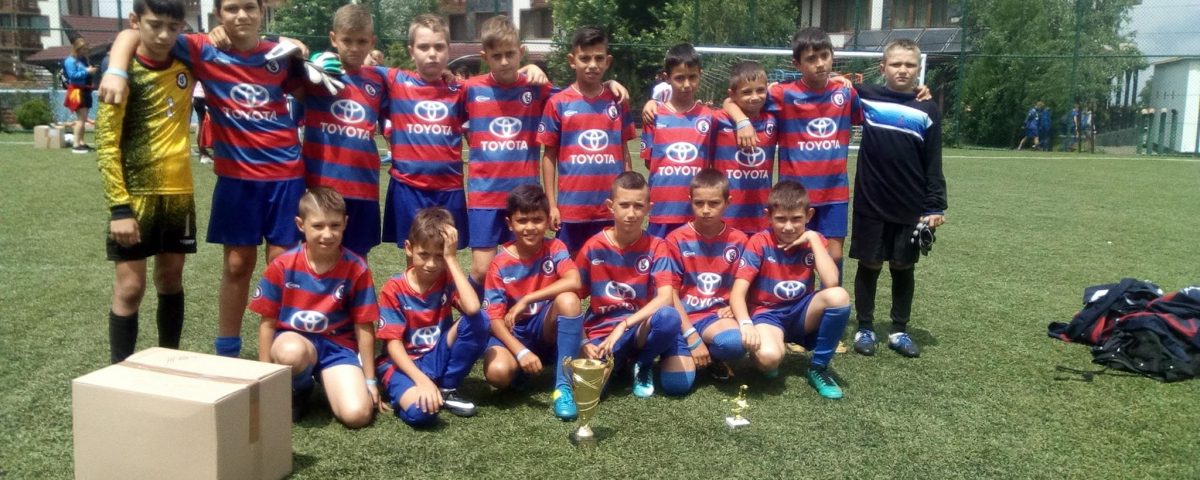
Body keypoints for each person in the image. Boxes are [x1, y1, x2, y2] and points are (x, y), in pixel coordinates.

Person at [100, 0, 308, 358]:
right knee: (237, 265)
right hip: (237, 178)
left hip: (286, 175)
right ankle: (227, 351)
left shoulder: (279, 53)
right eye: (231, 8)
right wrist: (116, 70)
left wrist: (294, 46)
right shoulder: (201, 48)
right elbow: (133, 33)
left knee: (282, 266)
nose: (241, 15)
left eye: (249, 7)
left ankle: (287, 353)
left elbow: (307, 93)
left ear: (261, 11)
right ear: (217, 15)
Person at [380, 14, 547, 254]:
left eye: (439, 47)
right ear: (411, 51)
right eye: (424, 47)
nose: (432, 53)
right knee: (418, 254)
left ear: (449, 50)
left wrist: (529, 67)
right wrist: (326, 59)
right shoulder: (396, 80)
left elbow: (513, 80)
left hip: (450, 188)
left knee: (450, 254)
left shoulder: (460, 88)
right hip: (409, 187)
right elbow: (360, 71)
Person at [95, 0, 193, 363]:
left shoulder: (187, 64)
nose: (164, 35)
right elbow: (106, 144)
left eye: (173, 26)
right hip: (134, 196)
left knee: (171, 279)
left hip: (179, 194)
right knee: (131, 287)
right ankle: (119, 373)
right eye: (155, 25)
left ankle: (168, 364)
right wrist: (119, 208)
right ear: (136, 20)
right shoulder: (121, 74)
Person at [723, 27, 861, 283]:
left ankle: (833, 301)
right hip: (795, 193)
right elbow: (731, 100)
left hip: (834, 192)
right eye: (811, 59)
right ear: (797, 64)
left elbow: (865, 114)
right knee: (795, 251)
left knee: (833, 254)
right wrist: (742, 121)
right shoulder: (782, 94)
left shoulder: (845, 94)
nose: (820, 64)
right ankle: (798, 301)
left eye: (825, 56)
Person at [848, 38, 947, 359]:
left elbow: (933, 160)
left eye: (909, 65)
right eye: (896, 64)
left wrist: (935, 204)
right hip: (871, 200)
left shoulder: (927, 108)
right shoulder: (867, 96)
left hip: (910, 204)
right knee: (870, 262)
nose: (902, 70)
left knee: (903, 265)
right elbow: (834, 84)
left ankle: (899, 329)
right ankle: (865, 327)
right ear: (882, 67)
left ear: (918, 69)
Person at [249, 187, 380, 426]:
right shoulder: (282, 265)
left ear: (345, 223)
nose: (327, 234)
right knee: (290, 352)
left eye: (335, 225)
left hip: (337, 348)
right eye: (318, 226)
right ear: (301, 225)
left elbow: (364, 326)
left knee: (358, 415)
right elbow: (267, 323)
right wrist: (264, 377)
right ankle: (300, 386)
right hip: (295, 341)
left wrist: (370, 380)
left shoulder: (357, 268)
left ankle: (327, 377)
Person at [575, 172, 693, 398]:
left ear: (649, 208)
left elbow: (665, 297)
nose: (631, 213)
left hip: (639, 328)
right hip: (603, 332)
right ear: (610, 206)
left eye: (638, 206)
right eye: (624, 205)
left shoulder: (657, 246)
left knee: (669, 317)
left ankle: (643, 362)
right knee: (590, 392)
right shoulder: (593, 247)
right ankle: (618, 361)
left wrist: (624, 325)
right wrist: (582, 340)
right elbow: (571, 299)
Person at [730, 181, 851, 399]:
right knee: (769, 358)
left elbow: (832, 281)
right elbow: (738, 292)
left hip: (802, 314)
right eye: (780, 219)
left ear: (809, 215)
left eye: (796, 219)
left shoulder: (815, 240)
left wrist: (813, 238)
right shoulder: (759, 242)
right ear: (768, 216)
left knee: (839, 296)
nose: (788, 227)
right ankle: (768, 351)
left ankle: (819, 368)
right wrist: (746, 324)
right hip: (768, 314)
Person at [462, 16, 554, 295]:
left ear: (521, 52)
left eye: (510, 54)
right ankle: (469, 311)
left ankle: (516, 317)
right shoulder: (471, 89)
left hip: (524, 194)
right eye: (496, 56)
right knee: (482, 269)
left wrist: (611, 84)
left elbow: (575, 96)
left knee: (524, 265)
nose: (504, 61)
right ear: (485, 57)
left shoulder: (536, 88)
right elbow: (442, 99)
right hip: (484, 195)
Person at [375, 208, 490, 426]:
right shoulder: (394, 288)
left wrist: (451, 259)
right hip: (402, 364)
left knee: (480, 320)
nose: (431, 264)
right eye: (424, 254)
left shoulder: (446, 278)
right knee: (423, 412)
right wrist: (421, 381)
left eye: (439, 256)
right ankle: (404, 389)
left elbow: (474, 308)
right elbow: (393, 345)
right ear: (409, 248)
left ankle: (447, 387)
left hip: (435, 356)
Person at [480, 184, 585, 420]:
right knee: (498, 373)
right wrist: (520, 352)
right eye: (522, 221)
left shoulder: (555, 247)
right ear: (510, 224)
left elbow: (574, 280)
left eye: (537, 220)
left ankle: (563, 386)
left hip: (543, 327)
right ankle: (522, 368)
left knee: (569, 300)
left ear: (547, 221)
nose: (530, 227)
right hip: (513, 332)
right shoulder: (499, 263)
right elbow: (494, 319)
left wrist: (528, 298)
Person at [301, 4, 388, 260]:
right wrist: (306, 56)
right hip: (321, 187)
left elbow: (413, 81)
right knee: (318, 258)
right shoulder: (314, 75)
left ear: (372, 42)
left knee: (357, 259)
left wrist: (446, 75)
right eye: (347, 40)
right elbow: (282, 60)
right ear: (333, 39)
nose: (354, 48)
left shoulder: (379, 79)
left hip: (363, 189)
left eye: (362, 41)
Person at [538, 25, 635, 252]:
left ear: (607, 61)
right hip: (572, 210)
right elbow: (549, 157)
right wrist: (552, 205)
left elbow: (624, 153)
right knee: (571, 270)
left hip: (610, 209)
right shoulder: (558, 103)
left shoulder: (618, 101)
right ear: (572, 60)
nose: (592, 65)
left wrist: (628, 197)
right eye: (585, 58)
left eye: (599, 58)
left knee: (610, 269)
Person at [664, 169, 749, 382]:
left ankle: (712, 356)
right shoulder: (676, 239)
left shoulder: (739, 241)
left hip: (715, 318)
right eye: (699, 203)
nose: (705, 210)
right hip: (682, 318)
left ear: (728, 202)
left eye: (714, 203)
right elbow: (670, 293)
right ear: (690, 200)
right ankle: (685, 348)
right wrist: (691, 336)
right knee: (676, 384)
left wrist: (736, 305)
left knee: (734, 343)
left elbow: (748, 283)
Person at [640, 43, 715, 238]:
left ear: (700, 75)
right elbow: (650, 162)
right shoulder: (654, 116)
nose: (687, 84)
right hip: (661, 211)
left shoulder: (709, 117)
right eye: (679, 78)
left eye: (692, 77)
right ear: (667, 78)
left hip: (697, 213)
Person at [711, 60, 776, 235]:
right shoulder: (719, 120)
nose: (755, 97)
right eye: (747, 92)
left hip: (761, 213)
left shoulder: (773, 119)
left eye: (760, 90)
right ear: (732, 94)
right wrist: (654, 103)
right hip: (727, 213)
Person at [64, 37, 98, 153]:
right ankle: (76, 144)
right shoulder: (70, 61)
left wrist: (89, 70)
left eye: (86, 49)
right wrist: (86, 71)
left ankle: (82, 142)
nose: (85, 51)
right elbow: (72, 76)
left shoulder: (82, 60)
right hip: (76, 91)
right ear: (77, 48)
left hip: (85, 89)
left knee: (83, 118)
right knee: (81, 119)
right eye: (83, 49)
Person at [191, 82, 212, 164]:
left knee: (200, 123)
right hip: (203, 95)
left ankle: (203, 152)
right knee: (201, 123)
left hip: (196, 95)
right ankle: (203, 154)